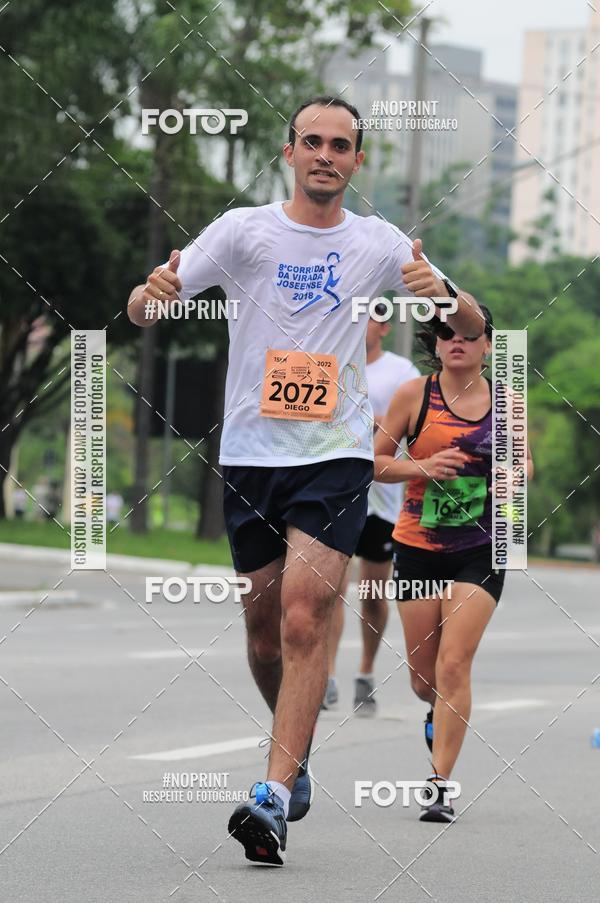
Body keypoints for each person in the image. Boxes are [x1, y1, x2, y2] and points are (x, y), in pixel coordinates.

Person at [127, 95, 483, 865]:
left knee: (302, 615)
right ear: (289, 152)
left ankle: (271, 794)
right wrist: (149, 296)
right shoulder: (243, 230)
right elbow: (146, 301)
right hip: (254, 457)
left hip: (336, 456)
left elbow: (472, 324)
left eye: (342, 145)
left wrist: (443, 296)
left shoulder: (380, 242)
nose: (326, 154)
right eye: (312, 141)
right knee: (262, 632)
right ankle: (298, 755)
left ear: (359, 161)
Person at [374, 303, 533, 822]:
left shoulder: (507, 402)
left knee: (454, 662)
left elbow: (524, 463)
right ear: (435, 344)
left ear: (487, 344)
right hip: (419, 546)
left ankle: (439, 784)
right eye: (445, 333)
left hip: (482, 548)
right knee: (425, 680)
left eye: (467, 332)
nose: (455, 340)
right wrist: (421, 465)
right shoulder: (413, 395)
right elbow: (374, 463)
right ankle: (435, 713)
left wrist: (515, 475)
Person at [323, 306, 420, 714]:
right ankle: (325, 675)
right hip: (333, 490)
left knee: (373, 594)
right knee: (329, 590)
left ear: (383, 326)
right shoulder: (328, 357)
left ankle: (365, 671)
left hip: (381, 498)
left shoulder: (402, 373)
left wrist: (383, 424)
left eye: (371, 317)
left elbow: (415, 427)